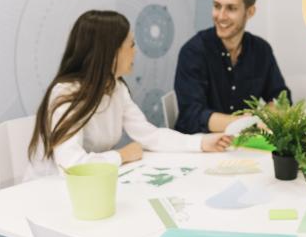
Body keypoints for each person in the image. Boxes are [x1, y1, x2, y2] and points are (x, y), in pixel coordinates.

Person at [27, 10, 231, 177]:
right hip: (49, 191)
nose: (135, 51)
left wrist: (201, 142)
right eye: (131, 44)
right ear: (110, 52)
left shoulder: (115, 88)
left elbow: (150, 135)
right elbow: (72, 166)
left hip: (93, 186)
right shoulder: (66, 93)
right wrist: (121, 155)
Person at [173, 0, 290, 133]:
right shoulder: (193, 52)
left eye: (231, 8)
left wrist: (269, 114)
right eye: (217, 6)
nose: (221, 16)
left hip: (244, 143)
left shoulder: (261, 50)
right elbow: (191, 116)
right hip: (201, 143)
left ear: (250, 12)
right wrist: (248, 123)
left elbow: (281, 98)